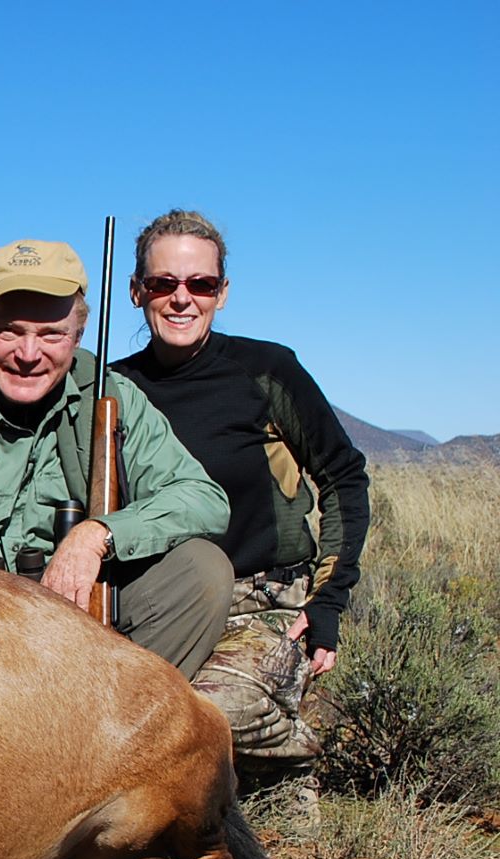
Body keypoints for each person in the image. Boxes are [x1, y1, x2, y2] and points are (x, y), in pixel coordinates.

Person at [0, 239, 233, 677]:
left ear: (79, 335)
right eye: (10, 330)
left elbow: (202, 497)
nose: (29, 356)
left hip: (72, 635)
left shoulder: (111, 399)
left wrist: (98, 536)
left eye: (52, 334)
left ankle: (116, 735)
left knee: (200, 574)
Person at [112, 209, 370, 763]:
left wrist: (329, 598)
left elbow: (344, 475)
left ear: (221, 293)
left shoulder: (267, 371)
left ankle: (295, 752)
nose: (182, 298)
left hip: (262, 601)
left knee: (195, 716)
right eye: (163, 283)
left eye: (200, 284)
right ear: (137, 291)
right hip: (158, 602)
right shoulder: (114, 389)